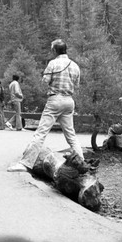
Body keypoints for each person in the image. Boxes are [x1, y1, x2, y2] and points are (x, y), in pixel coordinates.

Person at [7, 39, 83, 172]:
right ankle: (82, 163)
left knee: (41, 133)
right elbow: (76, 85)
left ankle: (25, 164)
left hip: (55, 100)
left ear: (54, 50)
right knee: (71, 135)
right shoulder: (75, 65)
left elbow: (45, 81)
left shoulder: (53, 63)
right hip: (69, 101)